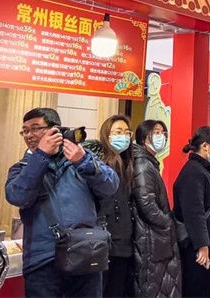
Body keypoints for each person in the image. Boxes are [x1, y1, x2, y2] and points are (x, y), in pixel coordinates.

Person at [5, 108, 119, 297]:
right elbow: (18, 197)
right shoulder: (20, 168)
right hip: (43, 262)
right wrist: (41, 156)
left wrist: (84, 161)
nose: (29, 135)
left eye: (35, 128)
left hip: (86, 255)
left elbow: (111, 186)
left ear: (55, 130)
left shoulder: (81, 159)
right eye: (25, 130)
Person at [173, 126, 210, 298]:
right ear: (205, 146)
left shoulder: (204, 169)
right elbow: (194, 213)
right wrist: (202, 245)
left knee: (203, 287)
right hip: (195, 245)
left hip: (206, 242)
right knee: (196, 288)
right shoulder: (193, 171)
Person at [132, 120, 180, 298]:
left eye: (163, 132)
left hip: (155, 236)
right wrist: (167, 223)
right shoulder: (143, 165)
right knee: (153, 286)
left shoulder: (149, 163)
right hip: (151, 237)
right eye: (156, 132)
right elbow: (147, 204)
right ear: (144, 138)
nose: (162, 137)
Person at [93, 115, 134, 297]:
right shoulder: (99, 166)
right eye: (118, 132)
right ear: (106, 136)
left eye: (127, 133)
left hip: (125, 245)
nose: (123, 136)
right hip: (107, 245)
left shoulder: (127, 166)